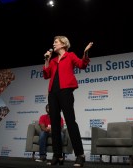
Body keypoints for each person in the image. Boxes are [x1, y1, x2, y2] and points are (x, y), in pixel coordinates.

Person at [43, 35, 93, 167]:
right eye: (53, 42)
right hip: (52, 93)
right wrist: (46, 60)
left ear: (63, 44)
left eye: (56, 42)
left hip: (65, 92)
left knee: (70, 122)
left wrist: (85, 52)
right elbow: (46, 74)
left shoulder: (70, 56)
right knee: (54, 124)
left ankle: (80, 155)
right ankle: (57, 156)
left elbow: (82, 65)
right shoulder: (53, 60)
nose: (53, 44)